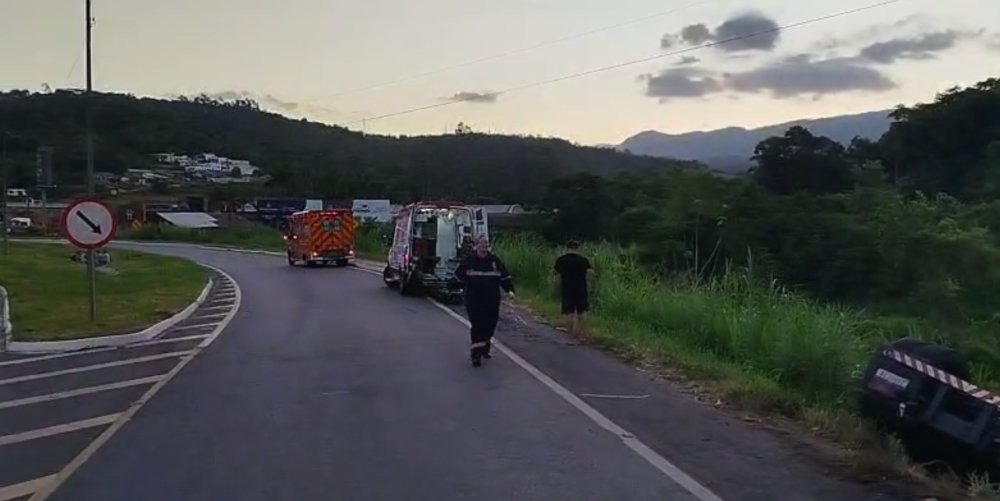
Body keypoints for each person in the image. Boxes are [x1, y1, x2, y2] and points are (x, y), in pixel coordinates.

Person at [454, 236, 514, 366]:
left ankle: (485, 346)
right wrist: (460, 285)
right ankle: (476, 354)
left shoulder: (494, 261)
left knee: (490, 324)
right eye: (481, 245)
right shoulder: (469, 260)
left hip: (491, 297)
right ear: (475, 247)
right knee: (477, 324)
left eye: (485, 245)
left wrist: (509, 289)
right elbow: (458, 275)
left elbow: (504, 275)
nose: (483, 248)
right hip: (474, 297)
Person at [553, 240, 594, 337]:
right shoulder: (583, 260)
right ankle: (582, 335)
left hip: (567, 289)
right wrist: (590, 286)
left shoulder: (562, 260)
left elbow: (555, 273)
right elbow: (591, 273)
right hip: (581, 289)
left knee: (569, 313)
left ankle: (570, 335)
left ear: (567, 248)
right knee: (581, 313)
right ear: (578, 249)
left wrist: (557, 284)